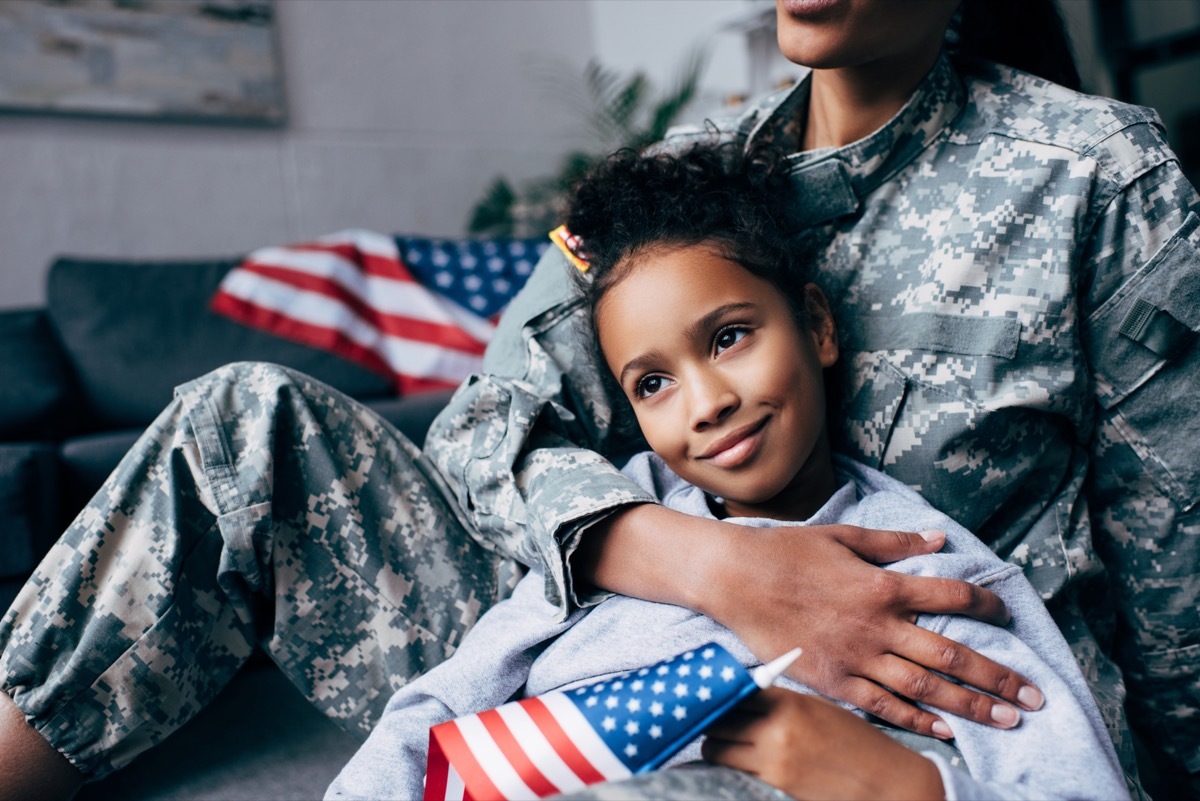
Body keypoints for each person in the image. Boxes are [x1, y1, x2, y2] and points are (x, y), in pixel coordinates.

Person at [2, 0, 1196, 797]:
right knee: (240, 425)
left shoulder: (1101, 176)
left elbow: (1175, 588)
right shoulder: (680, 177)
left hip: (910, 729)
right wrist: (714, 568)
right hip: (595, 647)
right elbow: (482, 425)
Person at [325, 143, 1130, 801]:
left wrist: (909, 787)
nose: (704, 403)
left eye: (729, 337)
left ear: (816, 325)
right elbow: (438, 706)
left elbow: (1072, 781)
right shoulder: (622, 521)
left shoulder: (920, 571)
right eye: (652, 383)